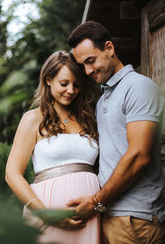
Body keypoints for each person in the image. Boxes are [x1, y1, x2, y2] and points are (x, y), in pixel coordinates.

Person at [67, 20, 165, 244]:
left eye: (90, 61)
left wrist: (95, 201)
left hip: (136, 219)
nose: (87, 71)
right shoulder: (103, 100)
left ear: (109, 48)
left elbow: (139, 156)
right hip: (110, 215)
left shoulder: (139, 86)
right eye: (82, 65)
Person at [5, 50, 100, 244]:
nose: (71, 91)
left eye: (76, 85)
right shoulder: (32, 119)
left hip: (89, 216)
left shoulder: (88, 120)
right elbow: (12, 174)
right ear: (48, 80)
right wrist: (47, 214)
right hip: (46, 215)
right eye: (64, 84)